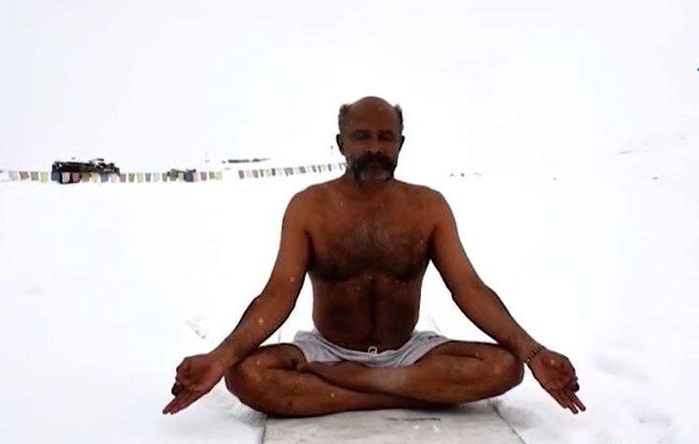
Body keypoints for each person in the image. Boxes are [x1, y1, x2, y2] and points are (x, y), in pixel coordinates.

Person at [163, 96, 585, 418]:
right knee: (245, 376)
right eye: (362, 137)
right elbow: (277, 294)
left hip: (407, 351)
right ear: (340, 142)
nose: (374, 148)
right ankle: (400, 390)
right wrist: (220, 357)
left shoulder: (428, 207)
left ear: (400, 143)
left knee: (505, 368)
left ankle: (353, 387)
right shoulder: (309, 207)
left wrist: (533, 352)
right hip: (326, 351)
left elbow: (469, 289)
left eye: (385, 137)